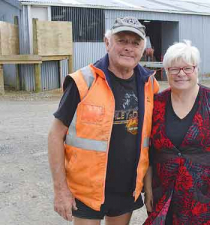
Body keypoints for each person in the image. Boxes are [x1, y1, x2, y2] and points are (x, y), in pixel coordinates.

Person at [48, 16, 159, 225]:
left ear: (143, 49)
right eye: (122, 41)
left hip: (126, 190)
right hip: (86, 191)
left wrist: (149, 186)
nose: (128, 48)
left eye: (135, 43)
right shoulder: (83, 82)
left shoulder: (149, 84)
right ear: (107, 43)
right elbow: (55, 135)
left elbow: (150, 141)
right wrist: (60, 189)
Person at [143, 40, 210, 225]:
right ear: (166, 71)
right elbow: (149, 151)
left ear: (196, 70)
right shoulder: (156, 103)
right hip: (165, 197)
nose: (181, 74)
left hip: (205, 200)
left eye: (187, 68)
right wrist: (148, 190)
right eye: (174, 69)